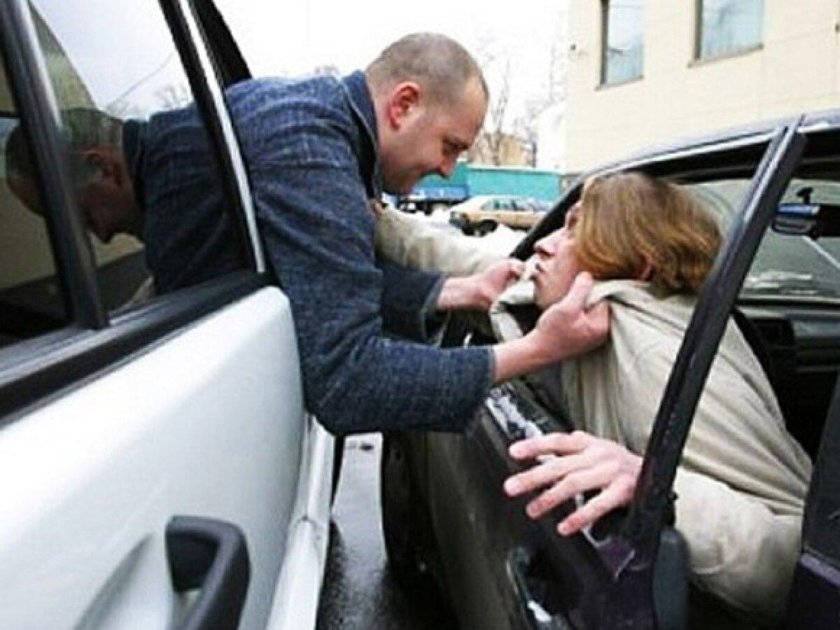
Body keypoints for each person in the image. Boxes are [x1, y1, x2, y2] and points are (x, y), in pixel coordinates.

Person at [5, 32, 609, 436]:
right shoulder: (307, 150)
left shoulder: (299, 130)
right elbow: (349, 380)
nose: (450, 170)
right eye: (449, 146)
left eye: (81, 216)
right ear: (403, 105)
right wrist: (535, 351)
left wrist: (457, 290)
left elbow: (314, 272)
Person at [494, 172, 811, 625]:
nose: (542, 244)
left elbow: (796, 562)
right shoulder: (594, 322)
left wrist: (658, 488)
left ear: (640, 266)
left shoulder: (648, 357)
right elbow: (495, 271)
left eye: (576, 228)